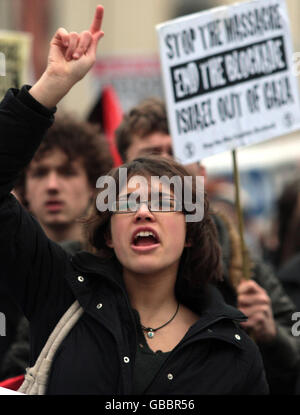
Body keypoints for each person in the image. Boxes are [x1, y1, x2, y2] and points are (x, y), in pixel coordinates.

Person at [0, 5, 269, 394]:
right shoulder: (60, 295)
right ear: (108, 234)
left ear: (190, 232)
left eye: (162, 202)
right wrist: (51, 86)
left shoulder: (233, 354)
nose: (143, 212)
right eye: (126, 203)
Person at [115, 97, 300, 394]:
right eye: (152, 155)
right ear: (122, 175)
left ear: (201, 171)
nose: (168, 164)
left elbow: (293, 348)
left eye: (178, 152)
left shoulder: (241, 260)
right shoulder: (92, 264)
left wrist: (270, 333)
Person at [0, 113, 113, 382]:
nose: (52, 185)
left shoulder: (117, 273)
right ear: (23, 187)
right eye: (40, 172)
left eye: (67, 172)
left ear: (94, 186)